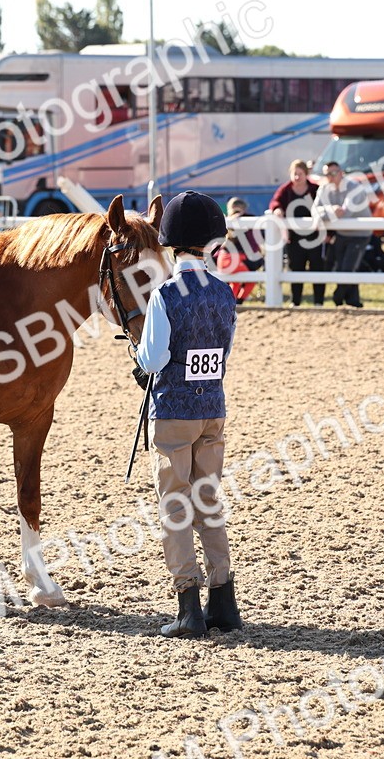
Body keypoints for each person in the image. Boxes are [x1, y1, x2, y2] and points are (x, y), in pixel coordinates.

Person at [134, 190, 242, 639]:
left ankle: (187, 607)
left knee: (175, 505)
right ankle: (224, 601)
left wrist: (140, 361)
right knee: (208, 500)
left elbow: (153, 358)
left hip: (174, 411)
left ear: (171, 242)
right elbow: (224, 351)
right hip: (212, 408)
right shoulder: (224, 292)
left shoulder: (164, 294)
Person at [311, 161, 371, 307]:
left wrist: (324, 213)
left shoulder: (354, 188)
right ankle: (353, 302)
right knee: (343, 268)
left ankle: (338, 298)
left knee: (348, 268)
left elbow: (345, 213)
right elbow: (314, 210)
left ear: (341, 173)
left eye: (333, 173)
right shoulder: (324, 188)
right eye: (327, 174)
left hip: (360, 234)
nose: (330, 177)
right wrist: (331, 210)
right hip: (342, 233)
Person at [270, 159, 324, 306]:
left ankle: (319, 302)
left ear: (306, 174)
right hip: (293, 238)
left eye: (300, 174)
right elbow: (275, 202)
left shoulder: (315, 189)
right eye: (294, 174)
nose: (297, 177)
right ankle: (296, 301)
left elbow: (324, 205)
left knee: (317, 267)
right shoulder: (285, 189)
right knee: (295, 267)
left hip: (315, 237)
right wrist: (277, 209)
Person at [213, 197, 260, 304]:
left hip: (224, 261)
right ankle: (238, 300)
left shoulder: (225, 224)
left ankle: (233, 301)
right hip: (234, 261)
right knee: (251, 278)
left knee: (236, 281)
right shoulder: (246, 224)